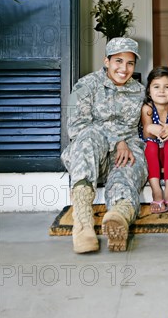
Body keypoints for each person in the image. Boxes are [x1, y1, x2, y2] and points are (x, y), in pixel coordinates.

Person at [61, 37, 147, 254]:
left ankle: (118, 215)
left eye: (130, 63)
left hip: (126, 150)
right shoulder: (85, 85)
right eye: (118, 61)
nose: (124, 68)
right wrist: (116, 141)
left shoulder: (139, 91)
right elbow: (76, 127)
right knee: (89, 136)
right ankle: (83, 224)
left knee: (131, 164)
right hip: (90, 156)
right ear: (106, 61)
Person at [140, 66, 168, 214]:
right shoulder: (148, 108)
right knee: (150, 146)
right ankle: (156, 191)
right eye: (156, 87)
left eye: (167, 87)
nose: (161, 91)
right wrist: (152, 128)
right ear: (149, 91)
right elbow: (146, 133)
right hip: (152, 154)